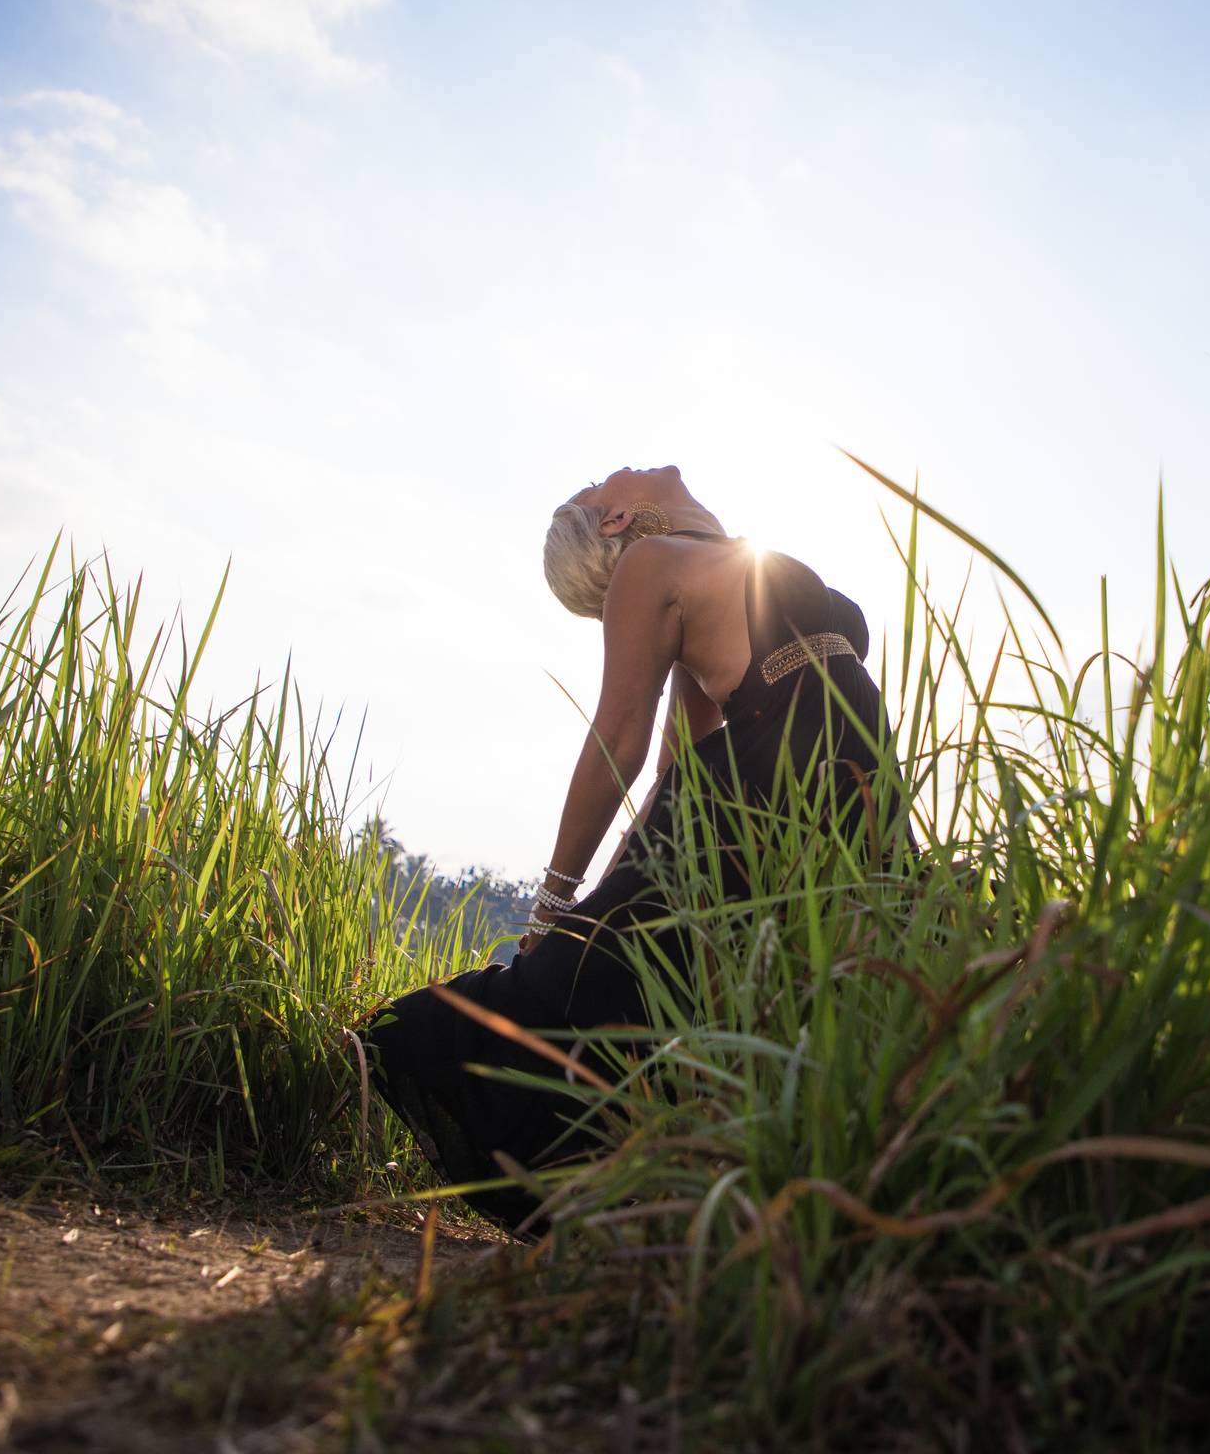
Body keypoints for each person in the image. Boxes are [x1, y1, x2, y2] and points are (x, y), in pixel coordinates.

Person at [364, 464, 900, 1232]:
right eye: (591, 491)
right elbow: (624, 740)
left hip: (844, 788)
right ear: (614, 525)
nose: (604, 475)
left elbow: (688, 755)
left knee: (817, 992)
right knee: (584, 984)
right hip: (769, 789)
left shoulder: (725, 556)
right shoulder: (651, 567)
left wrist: (610, 888)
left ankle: (763, 1196)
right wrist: (560, 902)